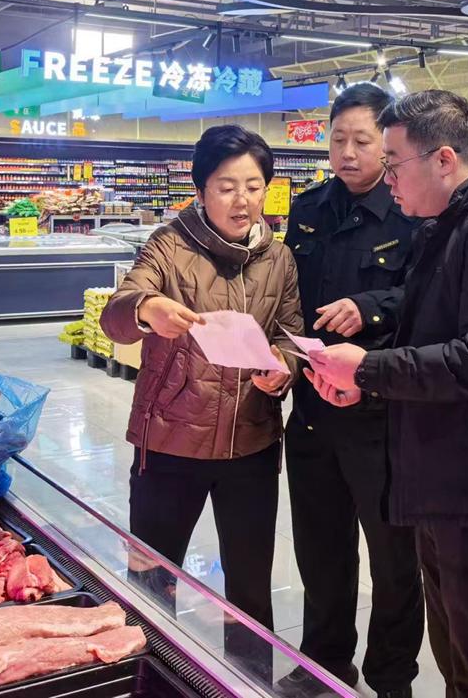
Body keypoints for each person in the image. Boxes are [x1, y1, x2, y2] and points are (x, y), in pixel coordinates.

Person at [304, 90, 468, 698]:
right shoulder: (440, 228)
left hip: (461, 472)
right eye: (339, 140)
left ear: (444, 160)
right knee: (451, 635)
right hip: (417, 446)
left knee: (467, 643)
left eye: (391, 160)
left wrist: (368, 369)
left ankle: (391, 676)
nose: (385, 175)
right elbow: (424, 333)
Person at [100, 125, 304, 650]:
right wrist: (147, 308)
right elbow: (116, 315)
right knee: (152, 577)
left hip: (251, 444)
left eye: (254, 187)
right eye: (226, 187)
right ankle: (151, 672)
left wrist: (283, 367)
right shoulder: (168, 246)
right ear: (200, 189)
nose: (243, 201)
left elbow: (289, 334)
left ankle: (250, 676)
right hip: (170, 442)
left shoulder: (278, 259)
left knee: (250, 588)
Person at [278, 83, 423, 698]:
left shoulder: (412, 213)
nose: (347, 152)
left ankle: (391, 678)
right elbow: (287, 295)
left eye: (362, 140)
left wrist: (371, 307)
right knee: (321, 549)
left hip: (380, 415)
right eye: (338, 139)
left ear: (386, 145)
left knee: (394, 561)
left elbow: (427, 299)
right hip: (312, 410)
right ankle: (324, 662)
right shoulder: (308, 208)